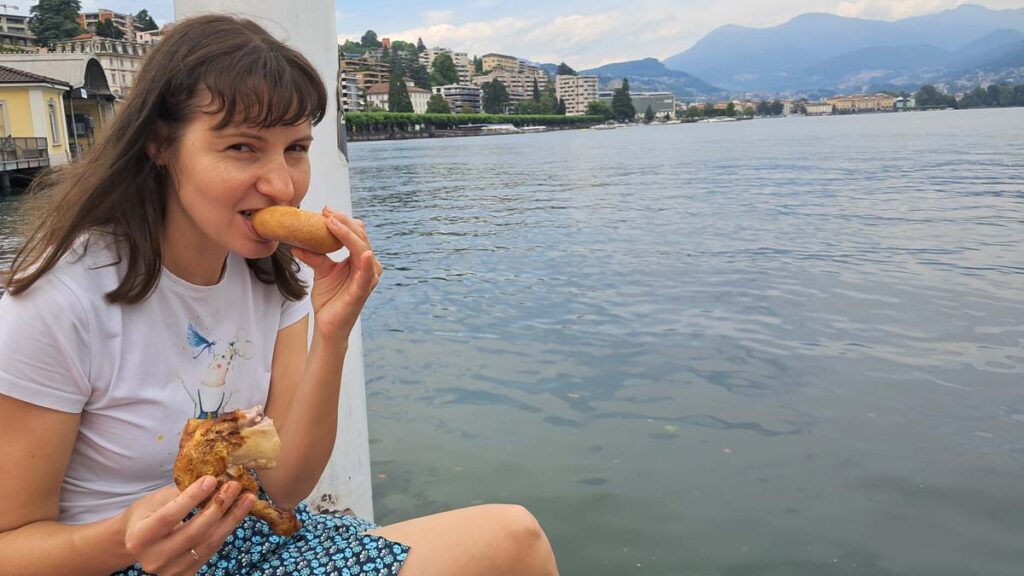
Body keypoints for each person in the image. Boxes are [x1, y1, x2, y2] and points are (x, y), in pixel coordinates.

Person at [0, 15, 559, 576]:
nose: (283, 185)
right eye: (242, 147)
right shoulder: (60, 298)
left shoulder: (269, 275)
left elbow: (286, 484)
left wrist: (333, 333)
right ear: (160, 145)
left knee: (514, 539)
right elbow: (10, 547)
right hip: (120, 563)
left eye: (296, 148)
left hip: (254, 535)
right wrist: (126, 540)